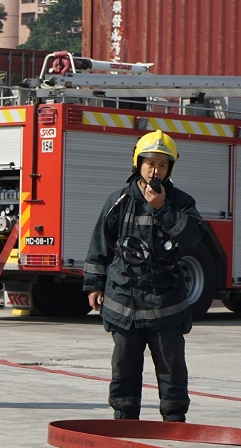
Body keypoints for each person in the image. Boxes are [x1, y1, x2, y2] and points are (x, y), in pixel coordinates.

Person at [83, 131, 204, 422]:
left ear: (169, 169)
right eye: (150, 163)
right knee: (124, 362)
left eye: (162, 165)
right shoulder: (119, 200)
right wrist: (93, 285)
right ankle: (125, 417)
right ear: (138, 162)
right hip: (124, 299)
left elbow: (193, 237)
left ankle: (174, 420)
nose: (155, 170)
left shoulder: (181, 202)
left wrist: (164, 209)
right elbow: (100, 244)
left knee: (171, 364)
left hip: (166, 301)